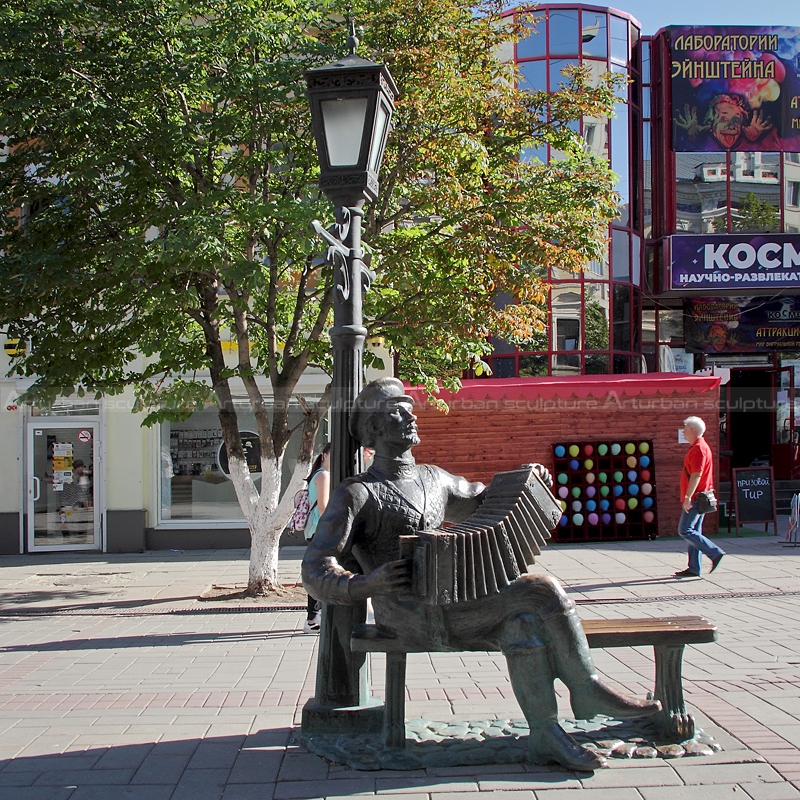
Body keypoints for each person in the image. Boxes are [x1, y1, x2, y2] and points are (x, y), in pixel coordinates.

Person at [302, 378, 660, 771]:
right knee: (542, 591)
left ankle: (545, 735)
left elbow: (484, 497)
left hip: (454, 604)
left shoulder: (434, 479)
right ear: (372, 429)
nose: (410, 415)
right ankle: (587, 687)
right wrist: (363, 585)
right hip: (405, 615)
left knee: (522, 625)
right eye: (396, 410)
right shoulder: (357, 493)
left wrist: (526, 478)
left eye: (409, 406)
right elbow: (314, 566)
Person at [674, 416, 725, 578]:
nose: (684, 431)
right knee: (694, 531)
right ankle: (694, 567)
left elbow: (696, 474)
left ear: (694, 430)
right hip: (699, 496)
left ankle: (714, 552)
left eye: (686, 428)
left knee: (685, 530)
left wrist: (688, 496)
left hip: (697, 497)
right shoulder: (698, 447)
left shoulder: (698, 448)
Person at [303, 443, 331, 634]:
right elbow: (323, 508)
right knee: (320, 574)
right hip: (319, 530)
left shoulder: (320, 474)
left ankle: (315, 616)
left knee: (320, 572)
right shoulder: (323, 475)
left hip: (314, 529)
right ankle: (313, 618)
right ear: (325, 455)